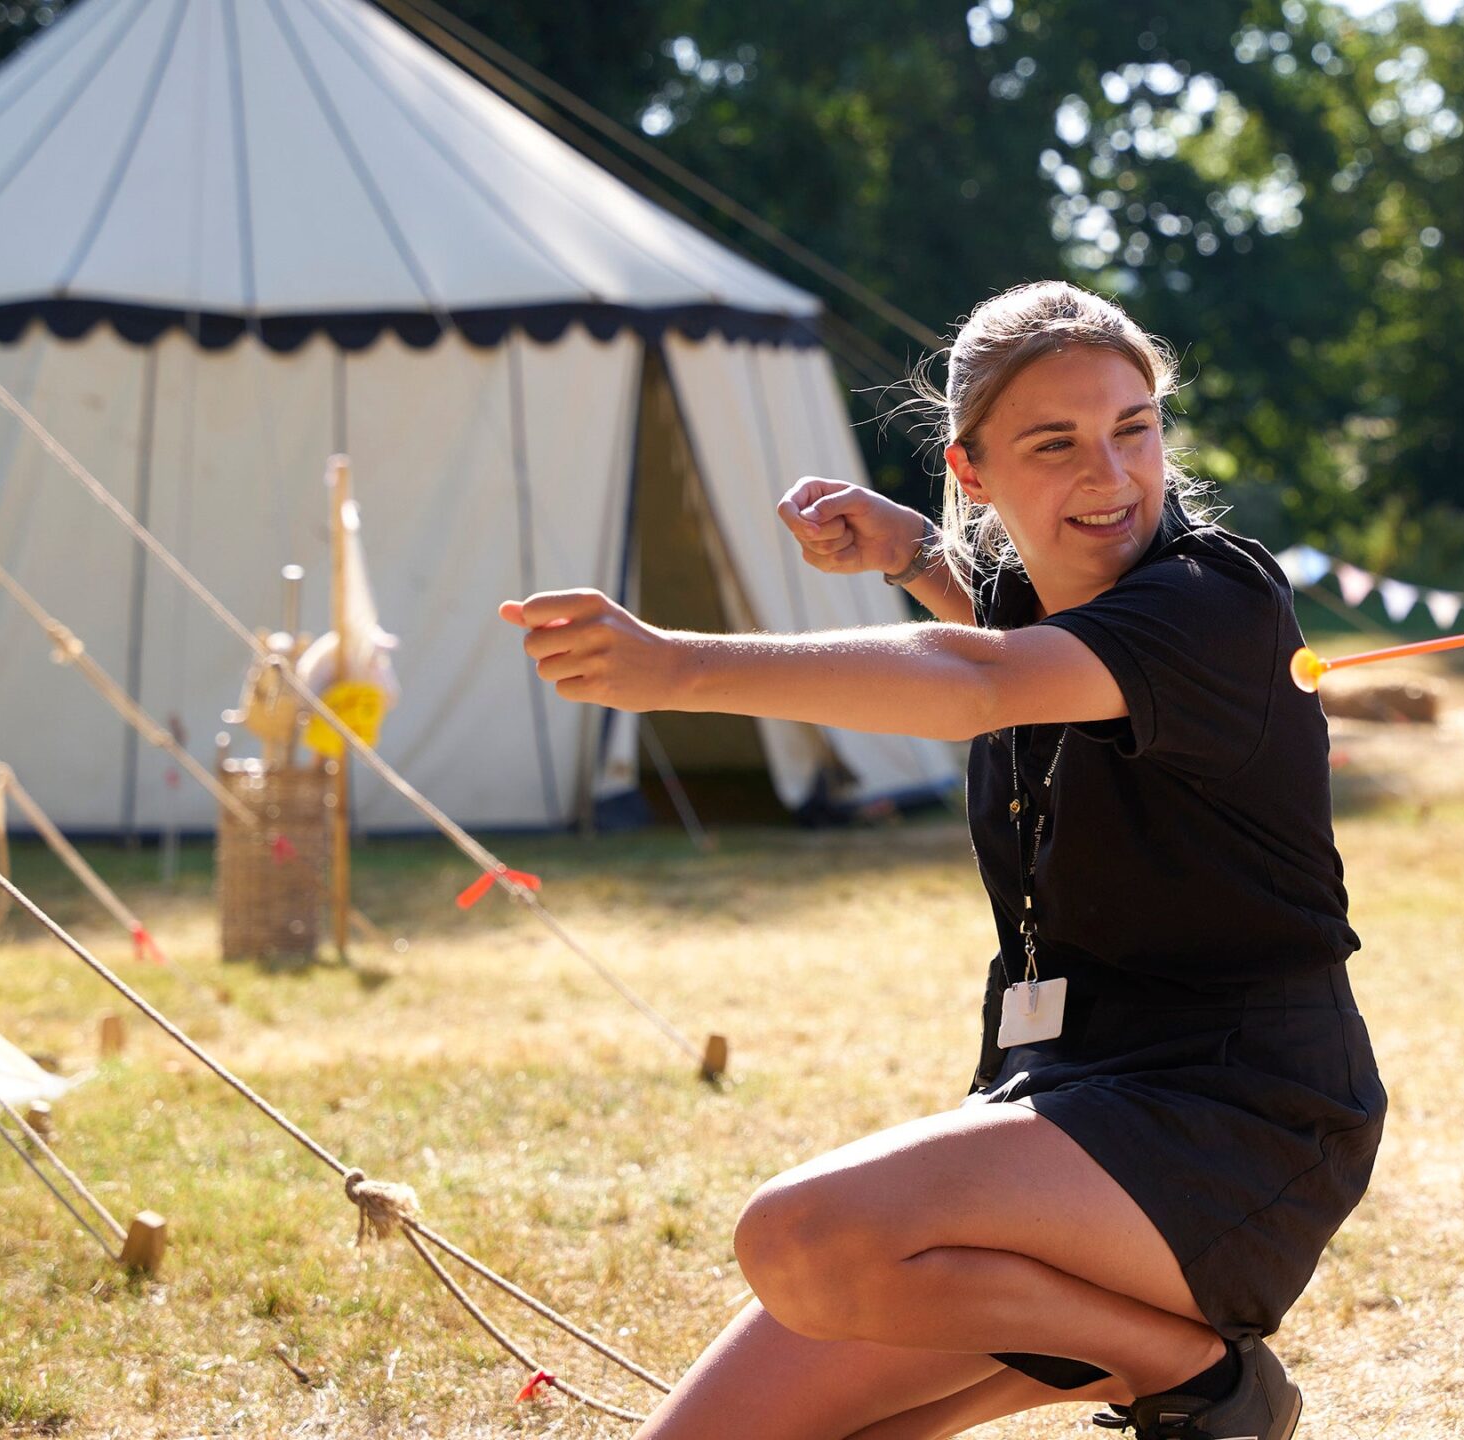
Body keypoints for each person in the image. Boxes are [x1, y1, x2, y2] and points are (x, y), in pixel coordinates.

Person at [501, 281, 1381, 1440]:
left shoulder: (1221, 601)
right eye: (1053, 445)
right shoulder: (1038, 612)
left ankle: (1195, 1376)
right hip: (1063, 1104)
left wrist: (683, 669)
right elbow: (1011, 631)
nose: (1110, 476)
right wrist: (914, 550)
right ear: (972, 472)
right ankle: (1166, 1363)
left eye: (1134, 428)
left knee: (797, 1240)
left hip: (1238, 1116)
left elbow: (980, 680)